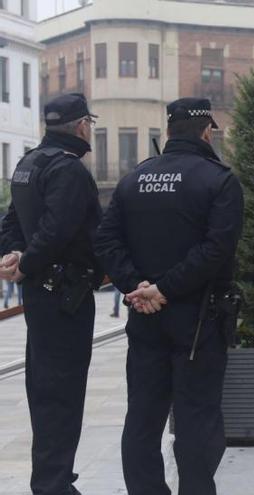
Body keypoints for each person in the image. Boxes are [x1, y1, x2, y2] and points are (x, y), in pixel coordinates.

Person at [94, 98, 244, 494]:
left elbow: (106, 240)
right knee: (197, 420)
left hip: (145, 317)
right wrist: (163, 289)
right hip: (198, 320)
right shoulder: (219, 180)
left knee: (142, 418)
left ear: (169, 131)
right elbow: (216, 250)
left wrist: (136, 287)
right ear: (208, 131)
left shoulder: (133, 179)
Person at [0, 93, 103, 495]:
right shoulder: (69, 170)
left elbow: (11, 221)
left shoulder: (28, 163)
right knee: (62, 391)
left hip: (42, 295)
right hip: (66, 294)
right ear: (81, 126)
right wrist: (24, 262)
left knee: (44, 388)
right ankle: (54, 484)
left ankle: (52, 478)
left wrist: (13, 255)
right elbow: (58, 230)